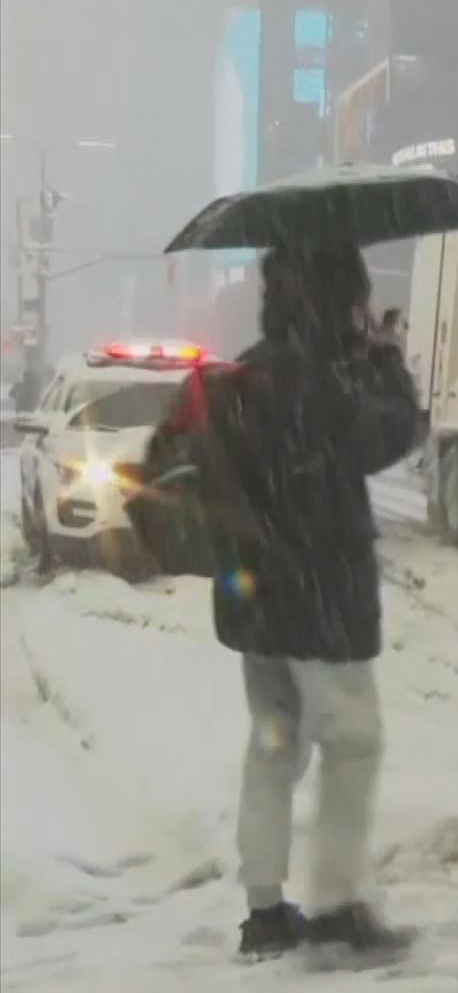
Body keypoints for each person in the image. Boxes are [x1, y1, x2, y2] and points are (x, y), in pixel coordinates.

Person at [132, 240, 421, 959]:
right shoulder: (316, 381)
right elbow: (393, 431)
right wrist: (385, 355)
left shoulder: (248, 373)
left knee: (274, 740)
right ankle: (336, 909)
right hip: (319, 603)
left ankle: (264, 911)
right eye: (352, 298)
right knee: (353, 741)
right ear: (332, 300)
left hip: (257, 602)